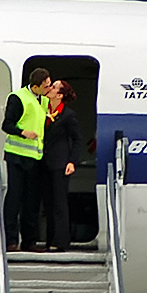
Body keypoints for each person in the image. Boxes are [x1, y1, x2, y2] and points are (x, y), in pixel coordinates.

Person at [2, 67, 51, 251]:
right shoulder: (18, 98)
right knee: (15, 197)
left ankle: (29, 241)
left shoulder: (43, 101)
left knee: (32, 200)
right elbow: (6, 125)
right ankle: (11, 240)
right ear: (36, 86)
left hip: (34, 157)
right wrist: (23, 133)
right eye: (46, 86)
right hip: (16, 156)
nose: (48, 88)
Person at [41, 80, 82, 251]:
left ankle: (62, 242)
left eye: (54, 87)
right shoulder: (43, 110)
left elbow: (77, 139)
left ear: (59, 95)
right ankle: (49, 240)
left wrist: (72, 161)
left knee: (59, 203)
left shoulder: (67, 115)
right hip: (44, 162)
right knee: (47, 203)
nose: (50, 88)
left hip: (61, 163)